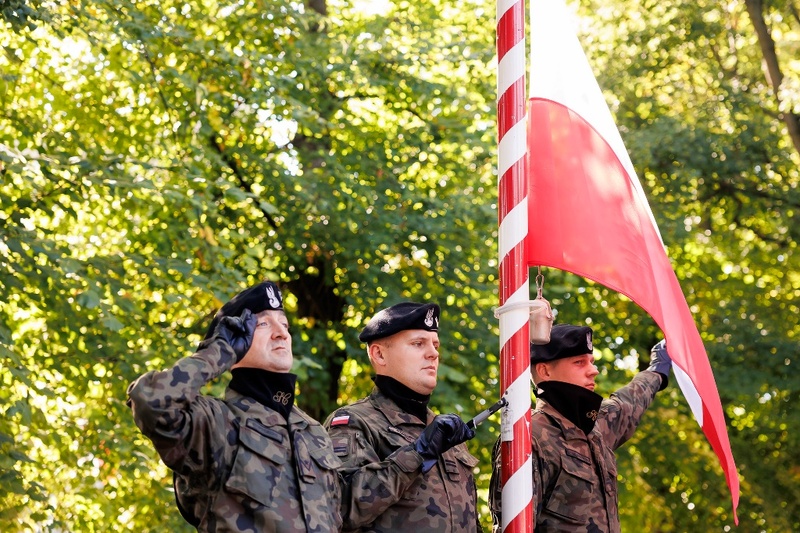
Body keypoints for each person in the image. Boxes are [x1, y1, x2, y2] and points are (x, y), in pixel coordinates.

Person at [127, 281, 342, 532]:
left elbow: (345, 515)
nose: (282, 333)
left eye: (285, 325)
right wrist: (219, 351)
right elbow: (152, 402)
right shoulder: (215, 421)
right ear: (235, 339)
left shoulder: (313, 431)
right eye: (263, 324)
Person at [489, 323, 672, 532]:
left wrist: (657, 371)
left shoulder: (593, 426)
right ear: (544, 370)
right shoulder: (529, 438)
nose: (593, 371)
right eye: (579, 362)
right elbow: (513, 527)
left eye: (592, 362)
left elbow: (628, 404)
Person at [324, 302, 482, 532]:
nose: (433, 353)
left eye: (435, 344)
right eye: (418, 343)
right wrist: (417, 454)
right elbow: (340, 508)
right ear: (379, 354)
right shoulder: (354, 423)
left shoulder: (444, 431)